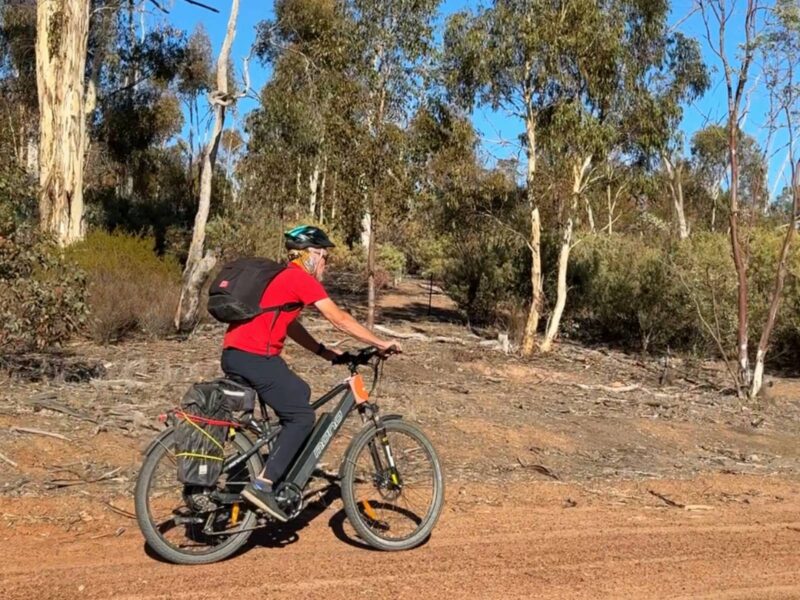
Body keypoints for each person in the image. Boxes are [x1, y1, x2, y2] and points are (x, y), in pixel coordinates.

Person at [221, 225, 399, 522]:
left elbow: (288, 324)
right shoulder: (298, 278)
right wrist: (380, 342)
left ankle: (274, 469)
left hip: (238, 354)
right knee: (303, 417)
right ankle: (263, 485)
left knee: (301, 393)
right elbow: (338, 318)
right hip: (255, 357)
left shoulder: (280, 278)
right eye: (324, 256)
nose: (326, 263)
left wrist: (324, 352)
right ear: (310, 255)